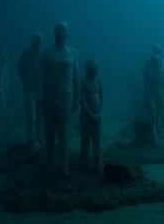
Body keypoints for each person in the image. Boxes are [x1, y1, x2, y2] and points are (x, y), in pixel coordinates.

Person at [42, 22, 79, 175]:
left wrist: (76, 98)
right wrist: (41, 97)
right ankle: (49, 164)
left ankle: (63, 165)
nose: (61, 32)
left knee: (63, 131)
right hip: (50, 95)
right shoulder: (47, 53)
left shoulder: (73, 52)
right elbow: (43, 77)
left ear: (67, 33)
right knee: (49, 131)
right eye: (58, 29)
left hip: (66, 95)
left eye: (63, 30)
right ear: (54, 32)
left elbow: (76, 77)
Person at [18, 32, 44, 150]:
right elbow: (20, 69)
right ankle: (32, 140)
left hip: (41, 89)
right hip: (29, 90)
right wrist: (26, 82)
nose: (38, 41)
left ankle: (39, 137)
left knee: (39, 116)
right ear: (32, 40)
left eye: (40, 39)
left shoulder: (44, 54)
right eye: (36, 39)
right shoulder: (25, 54)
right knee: (31, 115)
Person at [144, 47, 164, 142]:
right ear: (152, 63)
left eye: (158, 62)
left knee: (158, 114)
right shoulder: (148, 73)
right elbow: (145, 87)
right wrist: (144, 98)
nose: (157, 64)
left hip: (161, 96)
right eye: (154, 62)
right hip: (151, 96)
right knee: (153, 114)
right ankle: (153, 134)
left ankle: (155, 129)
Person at [79, 60, 103, 172]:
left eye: (96, 67)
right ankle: (83, 163)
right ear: (87, 69)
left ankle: (97, 164)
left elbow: (101, 98)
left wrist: (98, 112)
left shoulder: (98, 82)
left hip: (97, 116)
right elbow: (82, 99)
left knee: (97, 140)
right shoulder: (83, 82)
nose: (96, 69)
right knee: (86, 139)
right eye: (93, 67)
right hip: (86, 116)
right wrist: (90, 113)